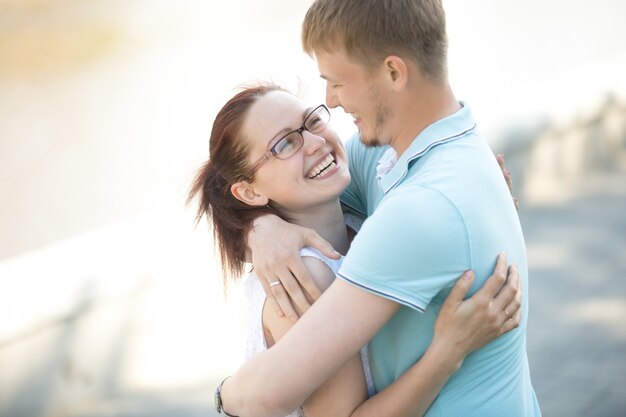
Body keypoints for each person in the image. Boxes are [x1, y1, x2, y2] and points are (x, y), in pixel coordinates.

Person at [218, 0, 541, 416]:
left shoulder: (420, 211)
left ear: (393, 72)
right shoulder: (415, 155)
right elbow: (286, 190)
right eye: (286, 141)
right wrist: (259, 227)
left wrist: (222, 395)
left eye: (337, 81)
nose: (331, 100)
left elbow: (268, 394)